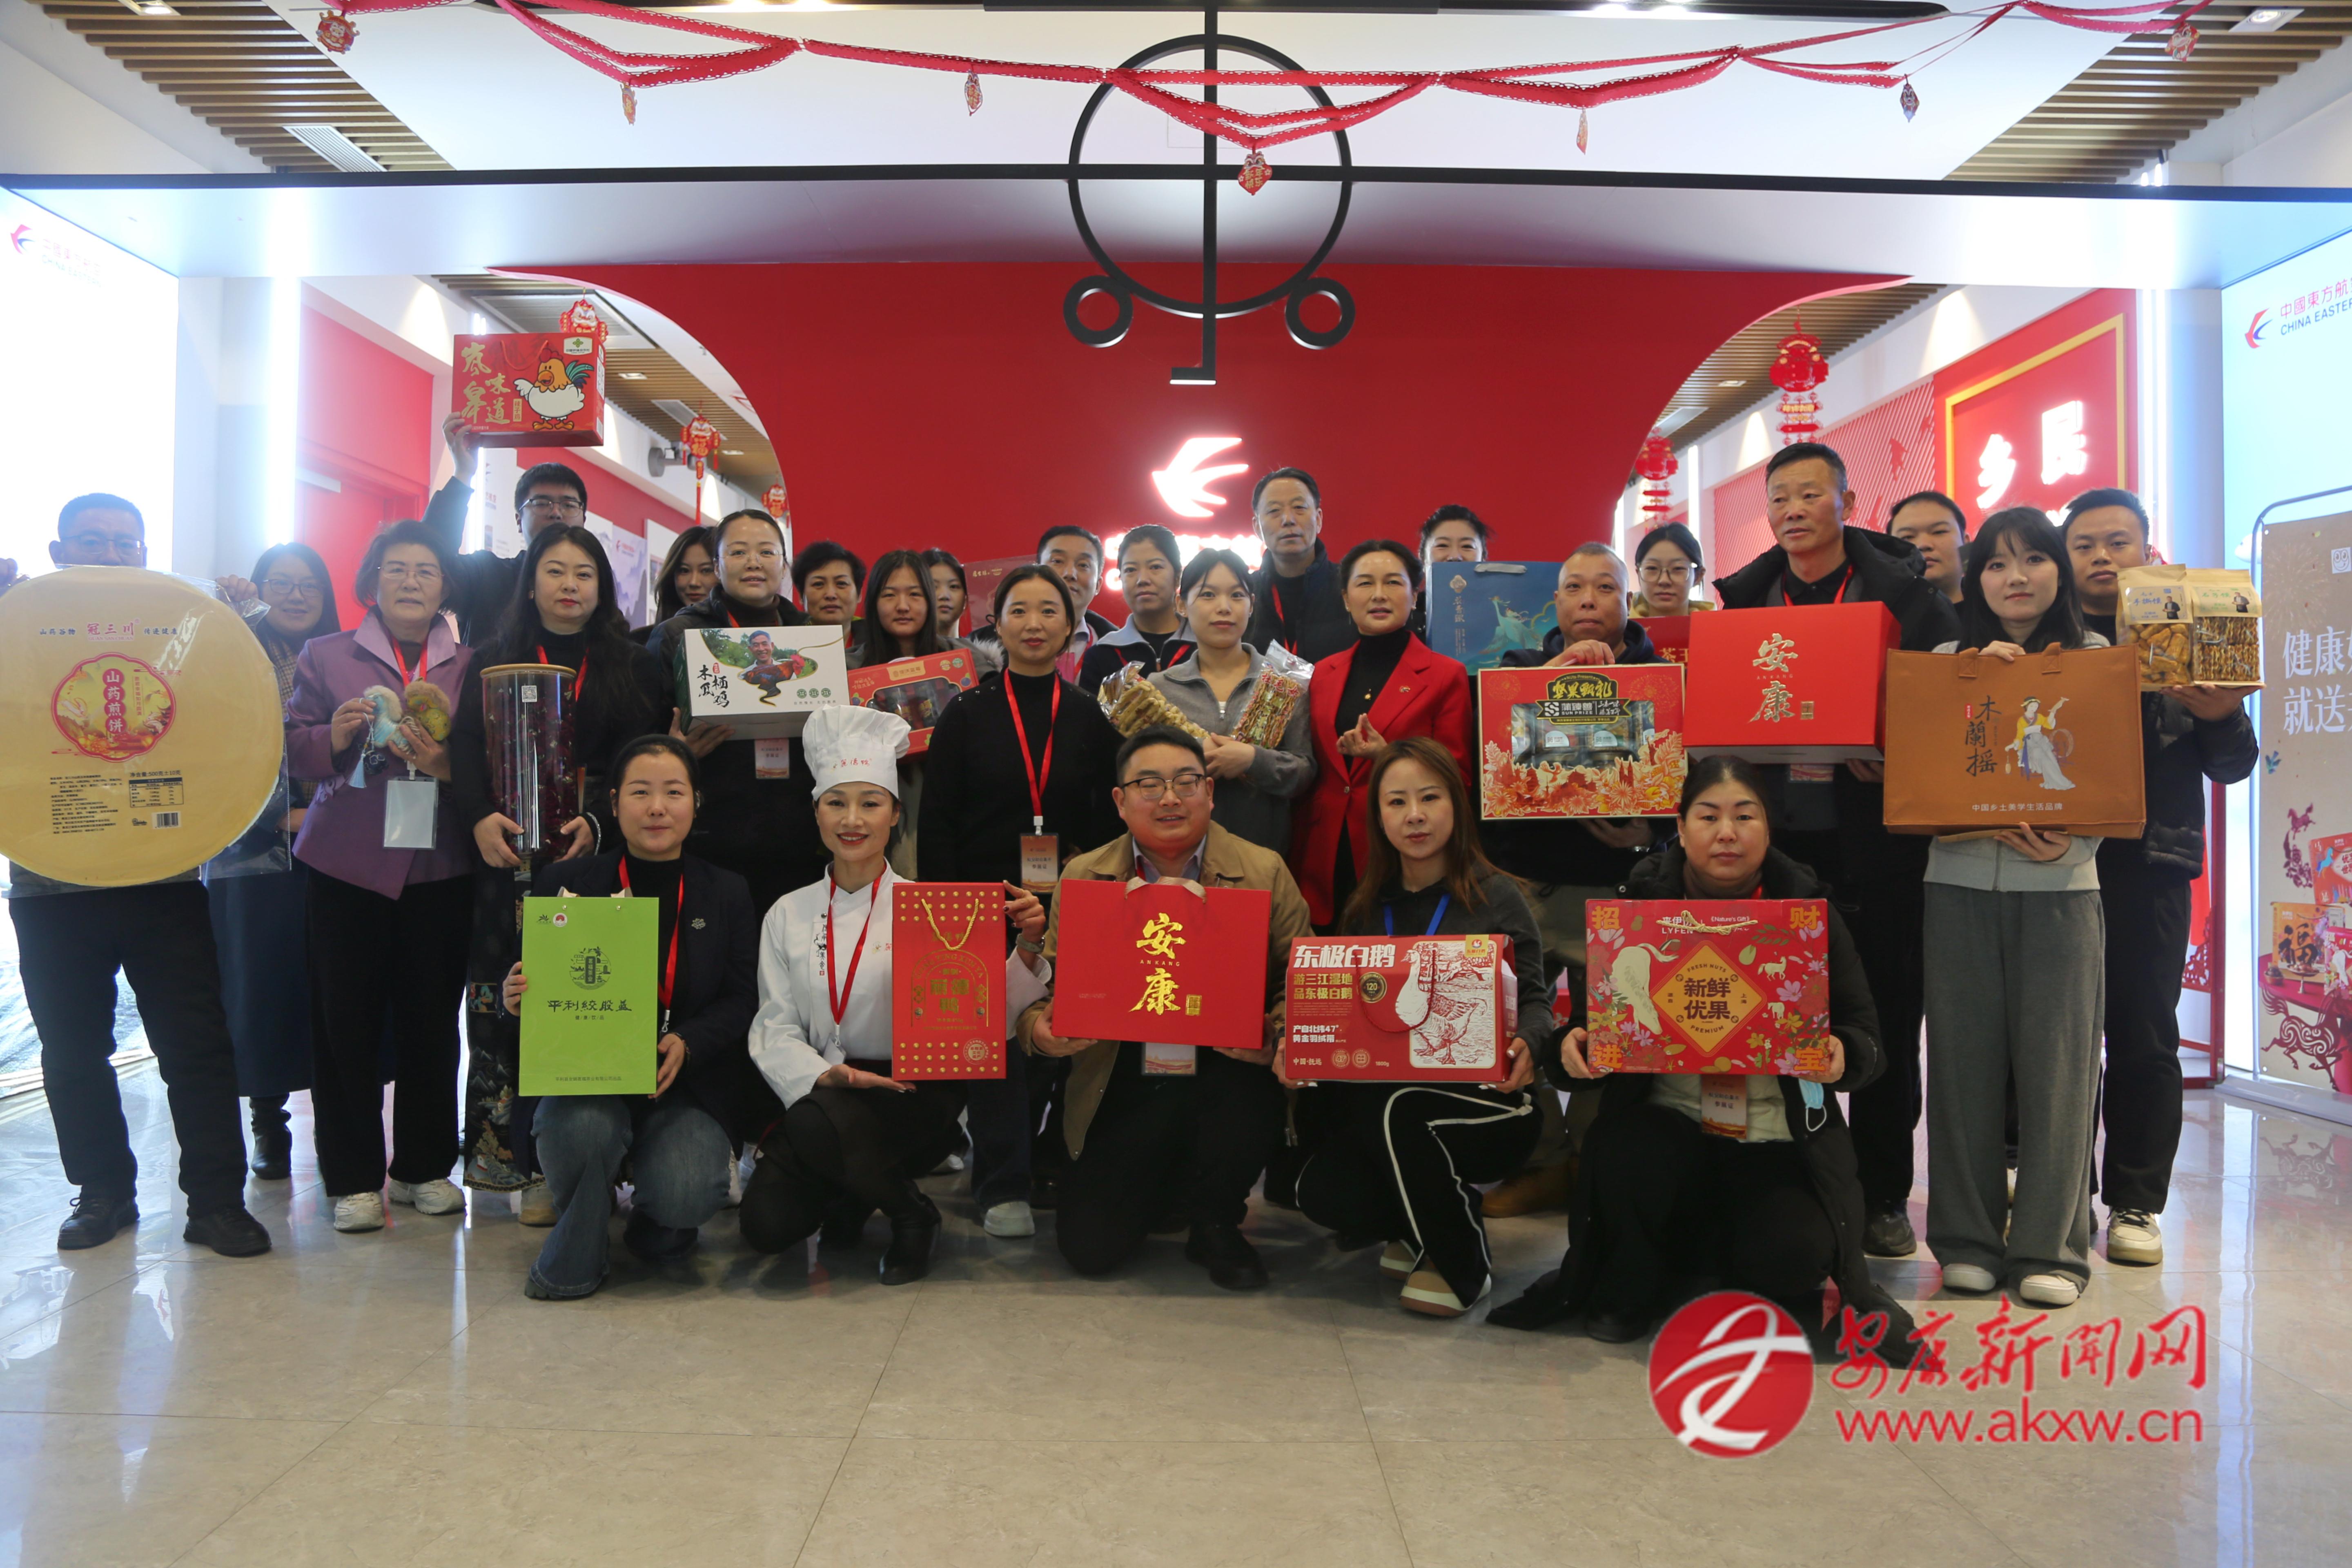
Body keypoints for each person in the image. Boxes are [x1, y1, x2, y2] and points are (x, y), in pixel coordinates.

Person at [1489, 756, 1914, 1359]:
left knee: (1791, 1258)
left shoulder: (1806, 913)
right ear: (1682, 828)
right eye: (1709, 817)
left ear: (1769, 827)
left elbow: (1867, 1039)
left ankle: (1705, 1260)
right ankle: (1635, 1281)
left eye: (1745, 816)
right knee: (1626, 1151)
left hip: (1774, 1136)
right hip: (1669, 1128)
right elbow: (1584, 1034)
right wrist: (1574, 1050)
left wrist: (1841, 1055)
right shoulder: (1639, 909)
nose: (1727, 833)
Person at [0, 495, 272, 1258]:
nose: (112, 555)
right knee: (72, 1051)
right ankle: (103, 1194)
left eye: (127, 543)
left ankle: (216, 1202)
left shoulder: (175, 629)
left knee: (196, 1046)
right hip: (53, 882)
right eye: (94, 541)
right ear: (59, 552)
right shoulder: (19, 629)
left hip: (166, 878)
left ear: (146, 554)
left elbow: (237, 712)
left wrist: (242, 619)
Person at [1712, 441, 1960, 1261]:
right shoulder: (1747, 602)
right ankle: (1788, 1181)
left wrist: (1898, 754)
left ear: (1847, 504)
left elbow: (1953, 713)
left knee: (1884, 1020)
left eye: (1810, 494)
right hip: (1779, 847)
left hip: (1879, 848)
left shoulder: (1909, 598)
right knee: (1777, 1016)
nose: (1792, 510)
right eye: (1779, 497)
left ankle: (1884, 1194)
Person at [742, 707, 1052, 1283]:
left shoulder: (931, 908)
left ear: (895, 815)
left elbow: (982, 1016)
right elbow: (774, 1025)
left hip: (914, 1087)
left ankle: (912, 1216)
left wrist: (1029, 946)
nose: (852, 819)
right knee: (767, 1226)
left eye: (870, 803)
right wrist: (829, 1075)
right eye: (836, 803)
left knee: (813, 1127)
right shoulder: (788, 912)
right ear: (816, 813)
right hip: (826, 1084)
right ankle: (860, 1193)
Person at [1019, 725, 1315, 1287]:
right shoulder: (1085, 875)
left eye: (1186, 782)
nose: (1170, 799)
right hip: (1122, 1074)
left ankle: (1216, 1220)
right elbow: (1044, 990)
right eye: (1149, 785)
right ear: (1120, 801)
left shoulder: (1263, 871)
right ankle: (1166, 1190)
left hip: (1225, 1071)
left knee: (1242, 1098)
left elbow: (1301, 985)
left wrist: (1276, 1036)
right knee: (1090, 1249)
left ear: (1210, 791)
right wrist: (1041, 1029)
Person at [500, 735, 781, 1298]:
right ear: (614, 803)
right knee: (578, 1131)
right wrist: (518, 996)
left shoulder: (726, 892)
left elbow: (742, 997)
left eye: (673, 792)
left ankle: (659, 1228)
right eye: (640, 792)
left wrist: (689, 1041)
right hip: (588, 1076)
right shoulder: (564, 884)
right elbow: (538, 993)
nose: (657, 808)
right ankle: (582, 1240)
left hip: (683, 1083)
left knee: (687, 1188)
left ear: (695, 802)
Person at [449, 525, 673, 1207]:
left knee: (587, 997)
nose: (570, 585)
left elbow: (644, 760)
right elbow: (465, 751)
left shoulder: (634, 665)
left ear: (603, 586)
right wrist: (479, 816)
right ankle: (515, 1163)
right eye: (555, 571)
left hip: (595, 861)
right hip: (506, 858)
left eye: (584, 573)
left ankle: (584, 1163)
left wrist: (600, 821)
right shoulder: (492, 658)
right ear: (531, 583)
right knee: (505, 999)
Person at [1288, 739, 1549, 1316]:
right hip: (1389, 1101)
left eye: (1430, 798)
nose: (1414, 816)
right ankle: (1422, 1222)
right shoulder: (1365, 907)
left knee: (1401, 1109)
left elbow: (1536, 999)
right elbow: (1340, 1012)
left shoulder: (1496, 895)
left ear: (1456, 805)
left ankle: (1462, 1264)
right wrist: (1298, 1047)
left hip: (1493, 1102)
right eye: (1397, 802)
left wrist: (1530, 1045)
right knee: (1322, 1190)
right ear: (1378, 817)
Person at [2064, 487, 2256, 1268]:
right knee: (2056, 1038)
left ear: (2148, 550)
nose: (2102, 557)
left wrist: (2219, 715)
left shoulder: (2191, 631)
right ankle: (2060, 1195)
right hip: (2057, 862)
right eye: (2084, 545)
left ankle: (2136, 1202)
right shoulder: (2045, 637)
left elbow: (2236, 765)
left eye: (2118, 542)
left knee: (2144, 1035)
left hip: (2152, 865)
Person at [1923, 507, 2108, 1309]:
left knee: (2059, 1073)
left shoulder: (2096, 660)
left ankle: (2052, 1250)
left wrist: (2073, 845)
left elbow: (2113, 774)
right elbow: (1924, 772)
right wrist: (1972, 680)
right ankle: (1965, 1241)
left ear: (2058, 571)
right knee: (1959, 1067)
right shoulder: (1945, 662)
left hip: (2063, 893)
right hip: (1956, 886)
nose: (2017, 578)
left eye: (2034, 559)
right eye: (1997, 564)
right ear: (1976, 580)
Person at [918, 565, 1124, 1238]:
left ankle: (1048, 1163)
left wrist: (1087, 896)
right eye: (1019, 611)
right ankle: (1001, 1182)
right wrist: (947, 914)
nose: (1034, 624)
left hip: (1068, 906)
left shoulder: (1090, 716)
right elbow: (939, 821)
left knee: (1060, 1035)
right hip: (980, 908)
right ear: (996, 626)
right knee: (997, 1045)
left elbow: (1109, 824)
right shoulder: (966, 713)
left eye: (1049, 611)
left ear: (1071, 627)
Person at [284, 521, 477, 1234]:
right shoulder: (326, 655)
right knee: (344, 1025)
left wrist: (446, 764)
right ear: (371, 582)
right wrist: (332, 736)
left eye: (425, 570)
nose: (410, 582)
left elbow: (486, 760)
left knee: (433, 1020)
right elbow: (291, 748)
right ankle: (353, 1178)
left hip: (440, 863)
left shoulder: (471, 664)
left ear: (445, 586)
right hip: (346, 865)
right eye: (396, 569)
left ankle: (425, 1166)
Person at [1479, 543, 1666, 1218]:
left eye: (1606, 588)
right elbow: (1492, 758)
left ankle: (1592, 1159)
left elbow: (1681, 780)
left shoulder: (1659, 679)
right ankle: (1543, 1159)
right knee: (1506, 1022)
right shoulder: (1516, 668)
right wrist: (1550, 679)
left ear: (1627, 602)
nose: (1589, 599)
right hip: (1527, 883)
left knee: (1609, 1028)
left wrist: (1648, 835)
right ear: (1555, 603)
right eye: (1575, 588)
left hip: (1617, 887)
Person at [211, 541, 340, 1180]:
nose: (295, 594)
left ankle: (341, 1122)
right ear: (259, 590)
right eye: (280, 583)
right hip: (253, 853)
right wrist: (281, 817)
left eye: (308, 584)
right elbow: (216, 749)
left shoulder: (343, 659)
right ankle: (269, 1123)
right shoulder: (231, 655)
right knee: (260, 988)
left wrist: (319, 816)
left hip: (336, 847)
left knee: (333, 987)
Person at [647, 509, 827, 918]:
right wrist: (674, 754)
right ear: (717, 566)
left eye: (767, 552)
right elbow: (644, 740)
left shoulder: (809, 638)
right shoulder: (679, 635)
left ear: (783, 564)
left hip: (797, 836)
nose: (753, 563)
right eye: (739, 552)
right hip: (710, 835)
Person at [1292, 539, 1474, 929]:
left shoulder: (1445, 675)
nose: (1379, 595)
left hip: (1403, 851)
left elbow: (1458, 778)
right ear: (1346, 599)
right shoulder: (1321, 673)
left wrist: (1387, 756)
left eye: (1393, 582)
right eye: (1364, 584)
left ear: (1414, 595)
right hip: (1325, 852)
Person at [1148, 548, 1314, 853]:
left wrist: (1253, 760)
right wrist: (1192, 758)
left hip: (1264, 857)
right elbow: (1143, 775)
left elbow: (1304, 772)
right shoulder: (1159, 689)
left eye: (1237, 596)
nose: (1224, 608)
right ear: (1181, 605)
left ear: (1252, 605)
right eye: (1208, 595)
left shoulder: (1284, 684)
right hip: (1178, 857)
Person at [421, 414, 592, 639]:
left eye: (569, 505)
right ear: (519, 521)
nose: (556, 513)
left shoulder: (594, 589)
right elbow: (430, 559)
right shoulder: (486, 575)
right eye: (542, 503)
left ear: (583, 520)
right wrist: (463, 473)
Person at [848, 549, 955, 876]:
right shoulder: (847, 671)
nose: (903, 606)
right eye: (890, 595)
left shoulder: (965, 663)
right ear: (872, 603)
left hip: (948, 807)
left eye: (915, 595)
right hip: (873, 815)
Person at [1243, 467, 1356, 662]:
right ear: (1257, 528)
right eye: (1274, 511)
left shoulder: (1351, 589)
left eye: (1299, 507)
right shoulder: (1244, 596)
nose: (1288, 520)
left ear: (1318, 519)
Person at [1078, 524, 1195, 693]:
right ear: (1121, 579)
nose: (1143, 580)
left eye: (1155, 567)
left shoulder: (1204, 645)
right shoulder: (1102, 654)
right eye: (1131, 570)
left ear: (1178, 577)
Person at [1408, 505, 1489, 640]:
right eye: (1442, 545)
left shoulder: (1498, 611)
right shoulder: (1405, 614)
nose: (1455, 557)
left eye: (1467, 546)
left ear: (1483, 558)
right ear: (1423, 558)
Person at [1889, 490, 1971, 605]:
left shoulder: (1994, 611)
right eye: (1907, 537)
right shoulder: (1877, 613)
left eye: (1939, 532)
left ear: (1966, 543)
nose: (1923, 545)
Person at [1629, 521, 1711, 618]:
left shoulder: (1716, 626)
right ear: (1639, 574)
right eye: (1652, 568)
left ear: (1698, 576)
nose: (1664, 581)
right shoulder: (1620, 627)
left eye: (1678, 568)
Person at [647, 523, 719, 633]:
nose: (694, 583)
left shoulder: (743, 634)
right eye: (684, 571)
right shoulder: (644, 639)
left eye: (706, 570)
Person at [793, 541, 865, 627]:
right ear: (801, 595)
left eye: (841, 583)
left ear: (859, 594)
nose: (831, 595)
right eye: (818, 584)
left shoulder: (876, 635)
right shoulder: (784, 636)